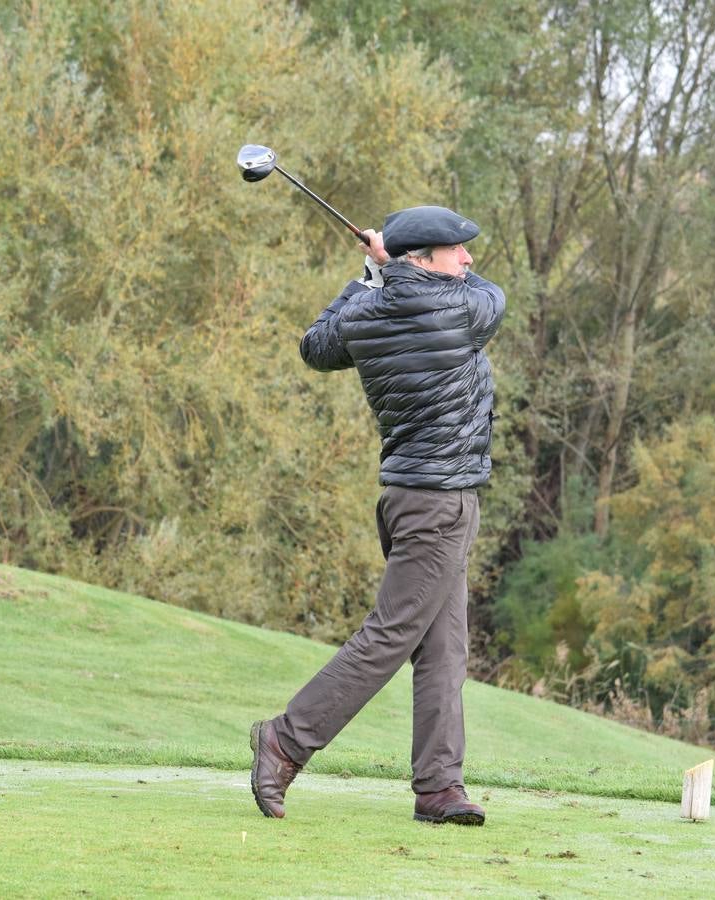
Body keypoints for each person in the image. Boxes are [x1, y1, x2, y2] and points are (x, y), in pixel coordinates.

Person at [250, 205, 506, 826]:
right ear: (424, 259)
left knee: (444, 645)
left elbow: (316, 346)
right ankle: (286, 739)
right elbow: (492, 296)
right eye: (455, 251)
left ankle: (440, 787)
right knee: (390, 635)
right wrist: (393, 264)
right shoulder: (460, 309)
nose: (468, 260)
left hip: (407, 496)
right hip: (439, 503)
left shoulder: (368, 312)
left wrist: (371, 271)